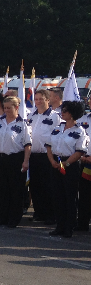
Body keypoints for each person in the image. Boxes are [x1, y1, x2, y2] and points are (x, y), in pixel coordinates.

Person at [46, 100, 87, 237]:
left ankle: (69, 227)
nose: (62, 113)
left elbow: (79, 151)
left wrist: (66, 163)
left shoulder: (80, 131)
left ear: (73, 113)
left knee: (69, 197)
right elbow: (49, 146)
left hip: (70, 166)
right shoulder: (57, 128)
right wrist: (52, 161)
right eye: (62, 110)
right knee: (57, 196)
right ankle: (60, 226)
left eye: (65, 111)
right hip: (55, 164)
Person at [0, 96, 31, 228]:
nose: (6, 110)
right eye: (5, 107)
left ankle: (14, 218)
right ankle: (3, 216)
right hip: (0, 158)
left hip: (15, 159)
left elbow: (27, 145)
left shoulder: (22, 123)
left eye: (9, 108)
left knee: (15, 190)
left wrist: (25, 161)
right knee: (2, 189)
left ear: (16, 107)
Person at [27, 89, 61, 225]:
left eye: (41, 99)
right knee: (35, 185)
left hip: (47, 155)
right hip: (33, 155)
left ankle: (50, 214)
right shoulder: (31, 115)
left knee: (48, 186)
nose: (38, 102)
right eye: (36, 99)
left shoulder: (55, 116)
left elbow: (57, 136)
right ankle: (39, 212)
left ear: (48, 100)